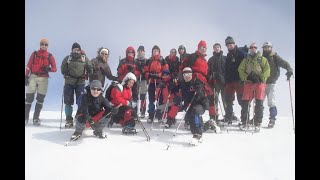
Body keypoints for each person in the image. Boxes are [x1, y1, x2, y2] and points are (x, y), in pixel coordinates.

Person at [172, 67, 210, 145]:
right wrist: (174, 83)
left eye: (189, 74)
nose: (187, 76)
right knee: (192, 122)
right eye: (185, 74)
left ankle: (198, 135)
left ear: (192, 75)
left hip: (200, 104)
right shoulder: (182, 84)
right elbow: (174, 90)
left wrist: (198, 89)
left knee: (195, 111)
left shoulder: (196, 82)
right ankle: (209, 124)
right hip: (189, 105)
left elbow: (202, 96)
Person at [238, 43, 270, 131]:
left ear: (257, 48)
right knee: (245, 102)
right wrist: (247, 77)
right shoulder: (246, 60)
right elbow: (240, 70)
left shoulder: (262, 59)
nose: (253, 49)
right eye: (251, 47)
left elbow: (267, 70)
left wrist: (260, 77)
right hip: (248, 83)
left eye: (255, 47)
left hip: (260, 83)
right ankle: (244, 121)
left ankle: (258, 122)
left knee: (259, 103)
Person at [25, 38, 57, 125]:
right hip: (33, 76)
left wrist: (49, 69)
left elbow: (55, 69)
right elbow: (28, 65)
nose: (44, 46)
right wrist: (26, 76)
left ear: (48, 46)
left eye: (46, 44)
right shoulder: (34, 54)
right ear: (40, 45)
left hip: (44, 78)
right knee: (29, 97)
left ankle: (36, 118)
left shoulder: (50, 56)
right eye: (42, 44)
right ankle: (25, 118)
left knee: (40, 99)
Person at [61, 42, 93, 128]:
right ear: (72, 50)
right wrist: (66, 74)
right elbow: (62, 69)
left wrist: (89, 71)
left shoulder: (84, 58)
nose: (76, 51)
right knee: (68, 101)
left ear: (80, 50)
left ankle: (79, 116)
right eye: (74, 49)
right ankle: (68, 119)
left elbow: (90, 69)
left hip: (80, 83)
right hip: (69, 82)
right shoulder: (68, 58)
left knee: (81, 101)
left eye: (77, 49)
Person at [262, 42, 293, 128]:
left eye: (268, 47)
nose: (266, 49)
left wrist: (289, 70)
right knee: (259, 101)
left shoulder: (274, 56)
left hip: (271, 82)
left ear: (271, 48)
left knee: (271, 101)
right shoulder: (261, 57)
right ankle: (257, 118)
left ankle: (272, 119)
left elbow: (285, 63)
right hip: (262, 82)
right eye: (265, 47)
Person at [224, 36, 246, 124]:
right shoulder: (228, 55)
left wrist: (244, 78)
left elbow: (247, 65)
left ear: (234, 44)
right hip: (229, 81)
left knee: (242, 100)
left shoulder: (241, 53)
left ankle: (244, 119)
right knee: (228, 100)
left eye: (231, 44)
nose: (230, 46)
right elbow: (227, 68)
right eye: (228, 45)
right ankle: (229, 117)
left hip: (239, 81)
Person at [144, 45, 169, 123]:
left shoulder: (162, 60)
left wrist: (159, 75)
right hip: (151, 81)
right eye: (154, 51)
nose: (155, 52)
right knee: (151, 99)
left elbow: (166, 71)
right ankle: (151, 115)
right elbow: (145, 71)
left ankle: (159, 115)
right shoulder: (149, 60)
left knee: (159, 99)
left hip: (159, 82)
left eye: (157, 51)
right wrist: (149, 74)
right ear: (152, 52)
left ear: (159, 52)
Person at [207, 43, 226, 118]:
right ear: (213, 49)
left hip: (224, 83)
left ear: (220, 48)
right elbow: (208, 71)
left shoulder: (225, 58)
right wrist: (210, 79)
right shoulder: (211, 59)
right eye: (215, 47)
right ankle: (215, 114)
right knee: (215, 99)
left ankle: (227, 115)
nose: (216, 48)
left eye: (218, 47)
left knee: (225, 99)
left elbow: (229, 70)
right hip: (215, 83)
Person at [135, 45, 148, 118]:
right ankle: (136, 110)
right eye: (139, 51)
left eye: (141, 51)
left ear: (144, 52)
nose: (140, 52)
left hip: (143, 80)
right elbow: (134, 69)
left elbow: (147, 69)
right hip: (137, 79)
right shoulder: (135, 60)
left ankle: (143, 110)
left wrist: (144, 71)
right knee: (136, 95)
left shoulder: (146, 60)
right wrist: (137, 72)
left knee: (143, 95)